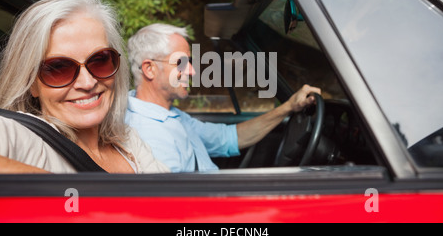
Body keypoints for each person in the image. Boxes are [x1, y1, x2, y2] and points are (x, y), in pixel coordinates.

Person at [0, 0, 169, 174]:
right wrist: (58, 190)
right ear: (31, 83)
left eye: (100, 60)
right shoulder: (18, 135)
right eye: (59, 68)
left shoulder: (129, 143)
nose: (87, 83)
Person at [125, 23, 321, 172]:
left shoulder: (169, 115)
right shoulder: (146, 132)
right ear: (149, 69)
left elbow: (228, 139)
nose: (192, 71)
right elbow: (178, 205)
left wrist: (287, 107)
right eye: (181, 62)